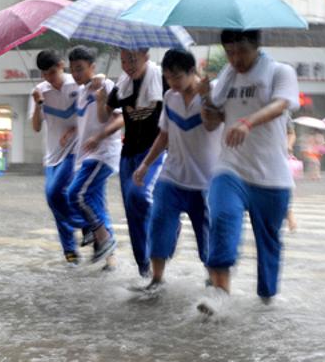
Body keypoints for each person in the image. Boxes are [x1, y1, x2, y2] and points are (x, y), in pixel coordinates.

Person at [198, 29, 300, 315]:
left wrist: (246, 122)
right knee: (222, 218)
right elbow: (211, 123)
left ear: (257, 46)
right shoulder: (223, 82)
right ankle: (219, 293)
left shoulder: (280, 72)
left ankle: (267, 302)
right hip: (230, 168)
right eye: (229, 52)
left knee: (269, 244)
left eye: (241, 51)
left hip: (272, 177)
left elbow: (281, 106)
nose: (236, 59)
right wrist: (206, 98)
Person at [133, 49, 223, 291]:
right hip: (172, 176)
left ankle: (214, 279)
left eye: (176, 77)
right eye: (168, 77)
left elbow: (213, 124)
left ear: (192, 72)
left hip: (205, 180)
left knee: (207, 235)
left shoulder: (214, 92)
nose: (172, 82)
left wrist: (207, 98)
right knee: (159, 223)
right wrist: (145, 165)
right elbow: (164, 134)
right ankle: (157, 278)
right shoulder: (170, 97)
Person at [95, 48, 166, 278]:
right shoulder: (122, 85)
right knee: (132, 210)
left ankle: (166, 226)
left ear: (146, 55)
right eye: (124, 61)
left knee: (140, 197)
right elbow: (104, 116)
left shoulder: (161, 78)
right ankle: (144, 268)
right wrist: (100, 99)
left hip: (153, 151)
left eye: (132, 60)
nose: (128, 65)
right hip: (128, 155)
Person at [29, 49, 90, 265]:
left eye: (53, 72)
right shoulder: (40, 91)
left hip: (74, 150)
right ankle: (70, 250)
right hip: (52, 154)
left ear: (61, 65)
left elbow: (86, 116)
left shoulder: (77, 84)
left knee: (55, 192)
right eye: (45, 74)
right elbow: (36, 127)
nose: (49, 78)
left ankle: (87, 224)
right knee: (54, 199)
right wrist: (38, 105)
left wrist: (73, 131)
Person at [66, 46, 122, 268]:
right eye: (73, 70)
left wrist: (99, 136)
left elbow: (120, 119)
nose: (76, 74)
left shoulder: (106, 86)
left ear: (93, 67)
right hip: (86, 156)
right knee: (97, 205)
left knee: (75, 195)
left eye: (80, 69)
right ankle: (112, 261)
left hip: (103, 154)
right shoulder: (81, 92)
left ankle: (101, 236)